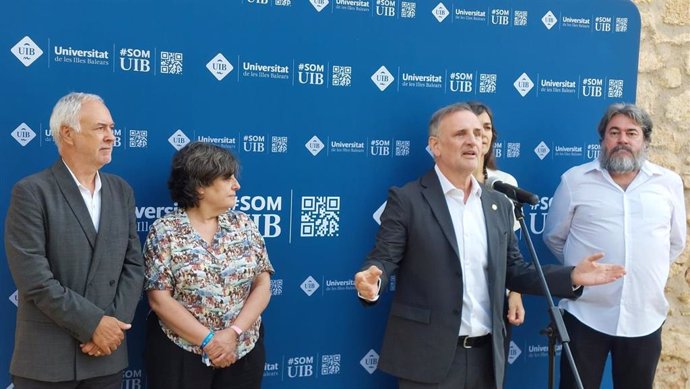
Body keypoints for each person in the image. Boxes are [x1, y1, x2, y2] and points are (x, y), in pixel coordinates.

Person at [354, 102, 626, 389]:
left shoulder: (498, 203)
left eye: (477, 133)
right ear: (435, 146)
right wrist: (372, 282)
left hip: (487, 358)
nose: (473, 140)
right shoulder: (408, 199)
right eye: (460, 134)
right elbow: (383, 258)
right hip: (428, 358)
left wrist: (571, 276)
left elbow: (515, 270)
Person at [4, 92, 145, 388]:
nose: (111, 137)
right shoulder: (32, 192)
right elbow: (34, 280)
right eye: (100, 128)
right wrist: (93, 324)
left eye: (111, 128)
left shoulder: (121, 191)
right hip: (47, 362)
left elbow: (133, 265)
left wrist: (112, 328)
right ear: (68, 134)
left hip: (107, 357)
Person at [543, 103, 687, 389]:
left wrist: (642, 269)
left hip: (644, 317)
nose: (622, 140)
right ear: (602, 140)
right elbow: (554, 238)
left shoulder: (668, 183)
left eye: (631, 133)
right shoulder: (575, 181)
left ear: (645, 141)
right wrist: (582, 272)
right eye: (614, 132)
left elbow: (675, 242)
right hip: (585, 314)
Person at [143, 141, 274, 389]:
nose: (237, 185)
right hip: (180, 353)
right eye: (227, 178)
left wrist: (233, 333)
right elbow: (159, 299)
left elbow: (263, 285)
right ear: (200, 186)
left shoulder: (243, 225)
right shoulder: (165, 231)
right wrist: (211, 341)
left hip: (242, 350)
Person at [468, 101, 525, 344]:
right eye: (472, 128)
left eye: (487, 128)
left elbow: (512, 253)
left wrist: (515, 292)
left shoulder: (504, 183)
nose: (481, 135)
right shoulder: (437, 186)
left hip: (496, 303)